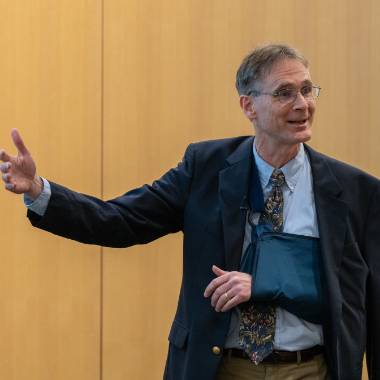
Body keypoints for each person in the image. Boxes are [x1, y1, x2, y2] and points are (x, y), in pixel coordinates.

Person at [0, 44, 379, 380]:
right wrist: (39, 191)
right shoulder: (205, 167)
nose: (302, 104)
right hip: (220, 366)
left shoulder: (355, 190)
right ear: (248, 105)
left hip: (311, 368)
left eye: (307, 90)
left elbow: (367, 298)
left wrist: (264, 281)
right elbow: (121, 220)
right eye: (285, 93)